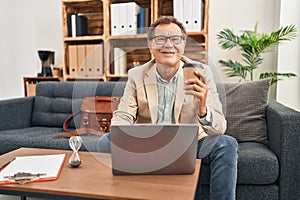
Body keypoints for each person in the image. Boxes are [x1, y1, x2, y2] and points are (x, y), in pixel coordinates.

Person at [97, 16, 238, 200]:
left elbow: (220, 126)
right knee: (105, 141)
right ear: (150, 45)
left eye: (175, 39)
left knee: (227, 144)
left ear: (184, 44)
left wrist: (203, 107)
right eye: (161, 39)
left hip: (191, 144)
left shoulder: (201, 72)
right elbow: (123, 115)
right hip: (148, 143)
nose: (168, 45)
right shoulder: (136, 75)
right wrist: (124, 134)